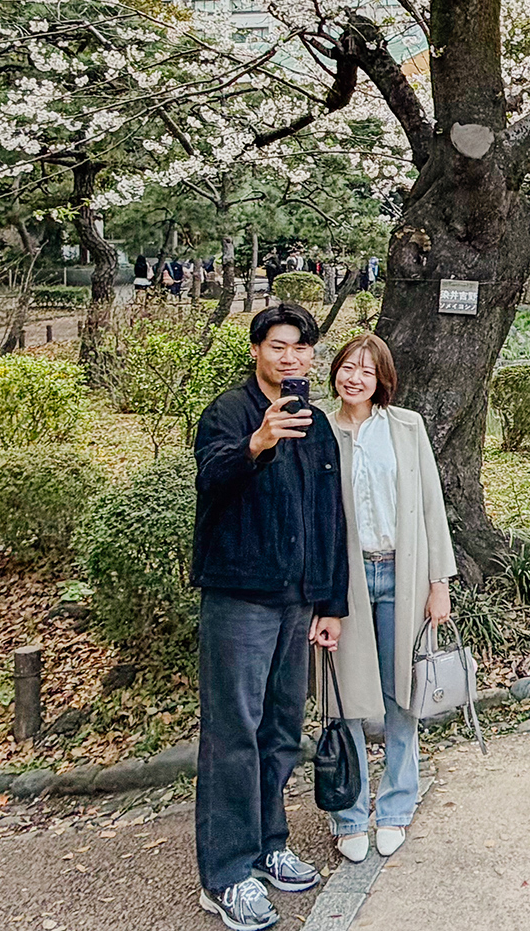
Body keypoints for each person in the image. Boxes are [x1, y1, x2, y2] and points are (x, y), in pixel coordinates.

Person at [191, 304, 349, 931]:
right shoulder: (228, 413)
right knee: (233, 733)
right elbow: (211, 480)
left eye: (302, 349)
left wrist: (331, 602)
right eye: (279, 346)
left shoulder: (316, 425)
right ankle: (225, 874)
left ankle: (267, 844)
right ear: (256, 349)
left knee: (281, 730)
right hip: (239, 596)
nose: (291, 359)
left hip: (299, 600)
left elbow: (329, 517)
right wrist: (256, 442)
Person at [322, 331, 456, 866]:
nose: (355, 378)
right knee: (345, 701)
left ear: (382, 380)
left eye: (367, 370)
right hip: (344, 582)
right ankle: (349, 813)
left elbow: (431, 505)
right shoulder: (318, 431)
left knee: (402, 695)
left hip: (402, 573)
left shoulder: (406, 427)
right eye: (347, 367)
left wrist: (438, 583)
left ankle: (396, 807)